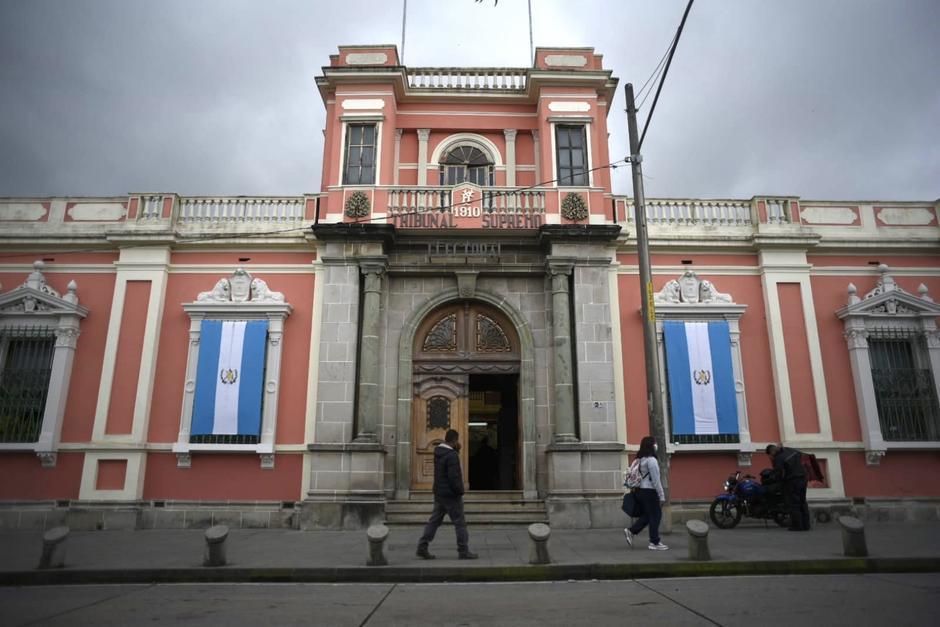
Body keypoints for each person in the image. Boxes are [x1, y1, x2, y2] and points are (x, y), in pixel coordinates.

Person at [416, 429, 478, 559]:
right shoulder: (451, 456)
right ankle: (463, 550)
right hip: (451, 495)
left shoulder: (439, 452)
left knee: (434, 521)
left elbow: (445, 469)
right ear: (455, 440)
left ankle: (422, 546)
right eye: (457, 440)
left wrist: (456, 451)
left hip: (439, 493)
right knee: (460, 523)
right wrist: (460, 491)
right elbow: (453, 477)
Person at [624, 436, 668, 551]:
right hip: (650, 491)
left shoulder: (640, 459)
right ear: (651, 446)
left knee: (649, 515)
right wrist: (662, 495)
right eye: (655, 443)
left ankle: (631, 531)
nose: (656, 445)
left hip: (641, 491)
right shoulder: (651, 460)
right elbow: (656, 480)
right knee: (656, 516)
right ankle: (654, 542)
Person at [766, 443, 811, 531]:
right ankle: (806, 525)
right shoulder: (790, 450)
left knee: (794, 503)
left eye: (770, 455)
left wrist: (774, 480)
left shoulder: (778, 458)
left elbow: (778, 473)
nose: (771, 456)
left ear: (772, 452)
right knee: (802, 502)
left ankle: (797, 526)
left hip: (793, 481)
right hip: (803, 478)